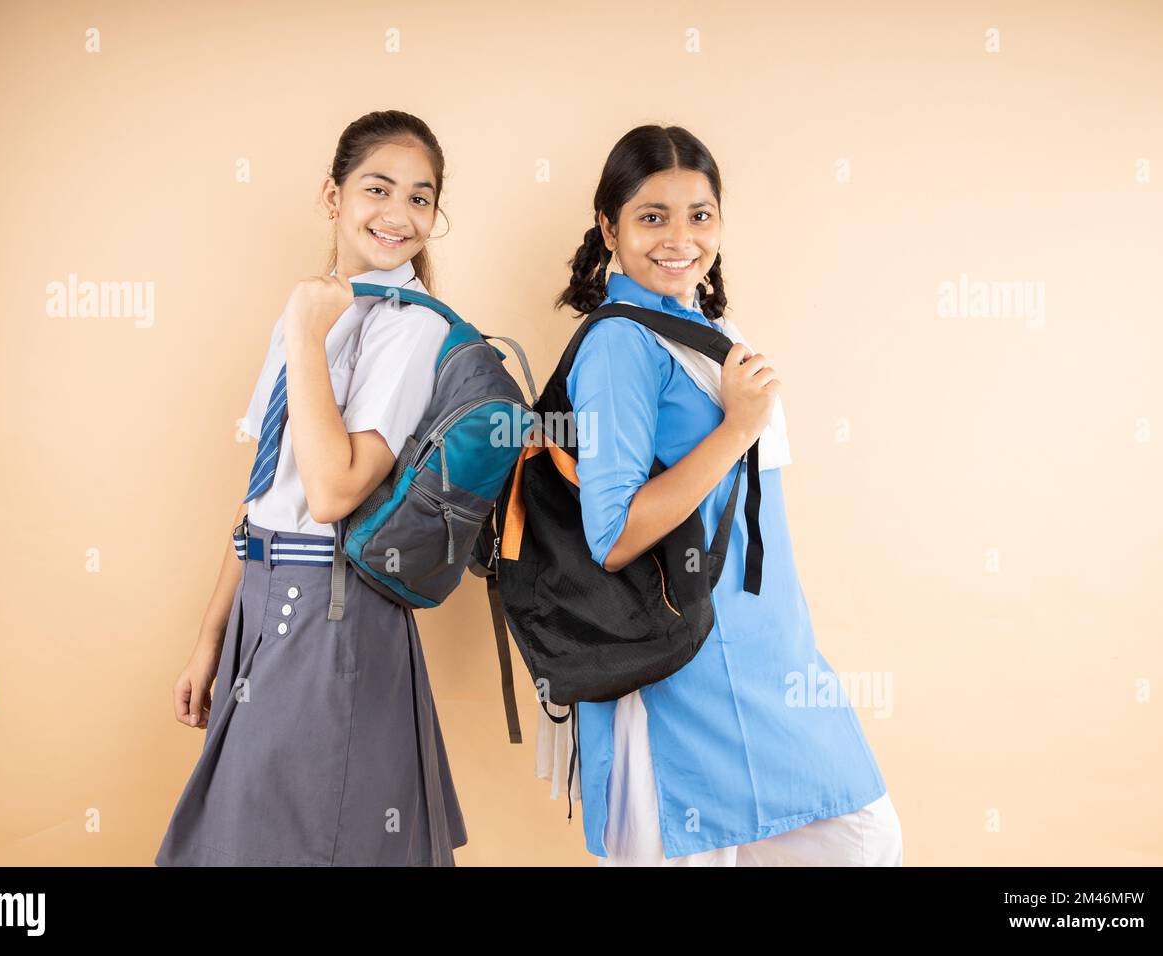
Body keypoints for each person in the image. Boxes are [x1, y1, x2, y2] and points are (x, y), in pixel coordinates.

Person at [548, 124, 903, 866]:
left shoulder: (704, 328)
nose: (680, 237)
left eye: (700, 214)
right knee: (853, 839)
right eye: (653, 216)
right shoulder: (621, 344)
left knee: (863, 840)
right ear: (609, 226)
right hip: (685, 673)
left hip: (766, 652)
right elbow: (611, 533)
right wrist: (739, 427)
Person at [155, 110, 466, 866]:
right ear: (332, 197)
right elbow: (263, 491)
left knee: (316, 840)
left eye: (420, 198)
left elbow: (330, 494)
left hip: (331, 607)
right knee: (247, 837)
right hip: (265, 593)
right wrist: (209, 638)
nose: (398, 215)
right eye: (377, 189)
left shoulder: (407, 328)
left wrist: (304, 332)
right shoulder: (314, 306)